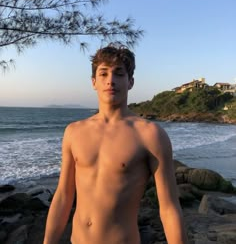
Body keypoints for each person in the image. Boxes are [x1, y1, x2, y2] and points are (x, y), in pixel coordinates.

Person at [43, 43, 188, 244]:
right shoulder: (74, 132)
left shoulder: (150, 134)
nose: (111, 81)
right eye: (104, 74)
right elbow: (63, 197)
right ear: (94, 82)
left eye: (119, 74)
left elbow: (169, 208)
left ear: (130, 82)